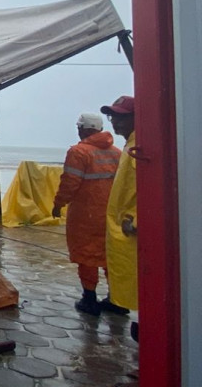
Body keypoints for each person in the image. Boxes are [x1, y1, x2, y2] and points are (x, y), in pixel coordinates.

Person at [51, 113, 128, 316]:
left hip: (87, 215)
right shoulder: (117, 153)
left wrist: (58, 204)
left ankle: (89, 299)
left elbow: (70, 183)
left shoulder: (79, 152)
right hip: (112, 214)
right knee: (111, 255)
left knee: (86, 255)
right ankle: (117, 299)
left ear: (84, 129)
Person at [101, 95, 139, 341]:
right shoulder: (124, 147)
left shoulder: (140, 146)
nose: (115, 121)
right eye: (113, 116)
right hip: (117, 228)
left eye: (121, 116)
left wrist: (137, 219)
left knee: (142, 288)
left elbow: (155, 186)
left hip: (131, 231)